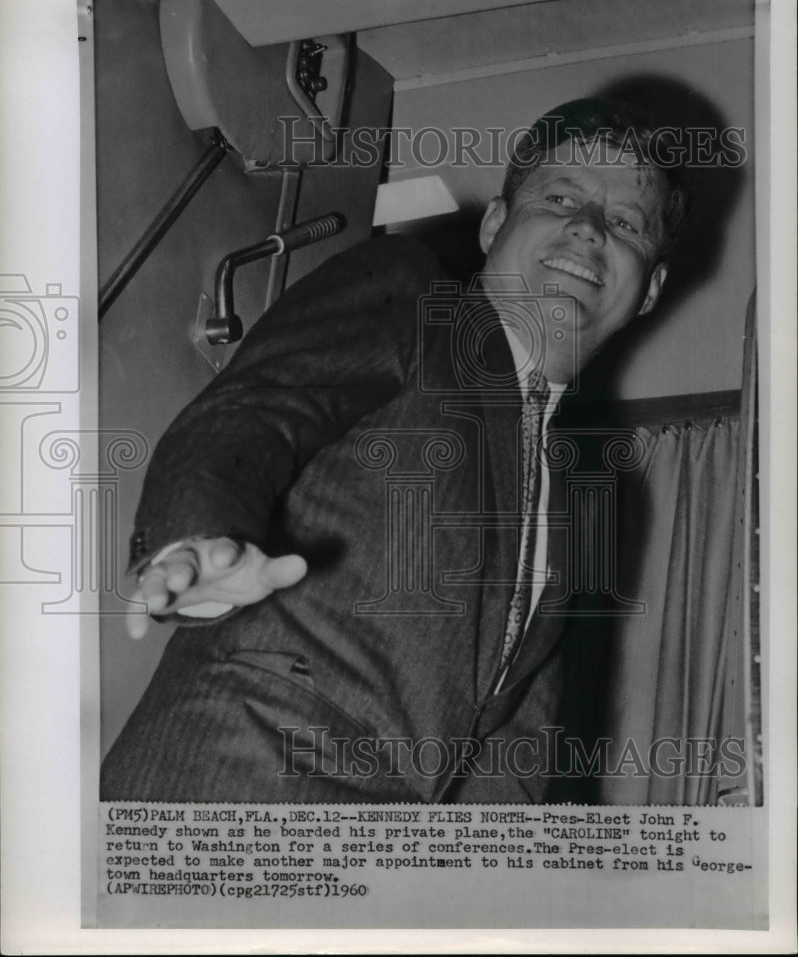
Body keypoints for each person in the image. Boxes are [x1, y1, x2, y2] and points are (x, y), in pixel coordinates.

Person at [101, 98, 688, 803]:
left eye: (625, 222)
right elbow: (257, 410)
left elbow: (518, 728)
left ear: (649, 287)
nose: (588, 230)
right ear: (496, 224)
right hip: (239, 776)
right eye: (560, 196)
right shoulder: (411, 290)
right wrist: (194, 536)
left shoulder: (589, 484)